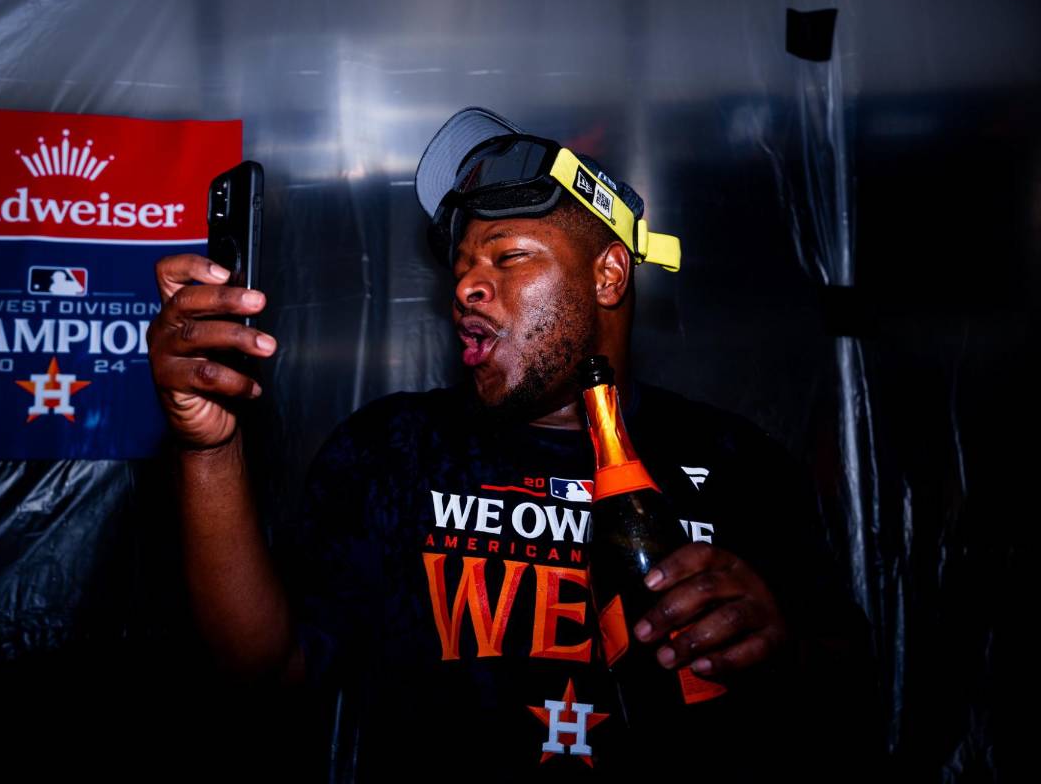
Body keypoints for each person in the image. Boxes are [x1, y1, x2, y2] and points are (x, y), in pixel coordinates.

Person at [146, 107, 882, 781]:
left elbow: (853, 701)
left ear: (609, 274)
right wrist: (207, 447)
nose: (466, 285)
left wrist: (783, 649)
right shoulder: (394, 450)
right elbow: (267, 672)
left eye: (507, 257)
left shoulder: (737, 466)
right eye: (461, 265)